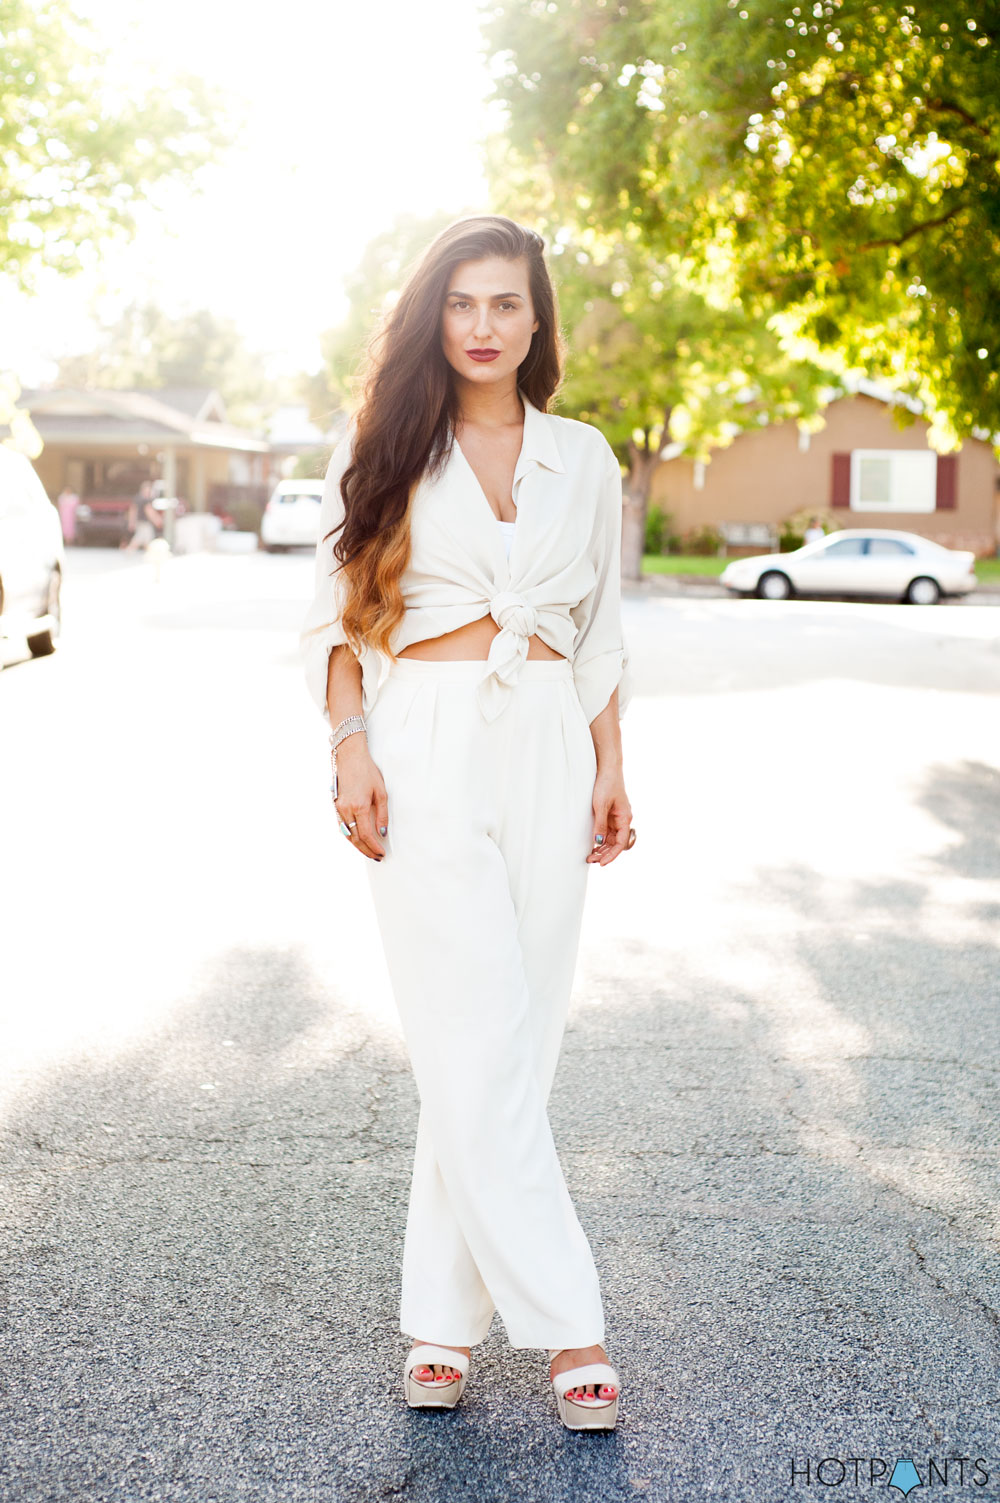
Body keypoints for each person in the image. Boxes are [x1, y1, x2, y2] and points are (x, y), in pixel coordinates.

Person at [299, 215, 635, 1431]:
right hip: (424, 738)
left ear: (536, 320)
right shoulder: (390, 450)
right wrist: (351, 751)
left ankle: (441, 1321)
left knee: (512, 1044)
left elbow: (599, 632)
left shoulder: (586, 459)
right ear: (432, 319)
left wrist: (609, 762)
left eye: (505, 304)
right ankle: (571, 1331)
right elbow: (332, 628)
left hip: (547, 732)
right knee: (473, 1031)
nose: (483, 325)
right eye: (462, 304)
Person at [123, 480, 160, 552]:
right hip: (144, 523)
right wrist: (157, 520)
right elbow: (149, 511)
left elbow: (132, 510)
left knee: (145, 539)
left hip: (140, 522)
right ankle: (129, 550)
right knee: (141, 539)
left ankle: (147, 553)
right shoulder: (145, 500)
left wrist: (131, 522)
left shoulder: (137, 498)